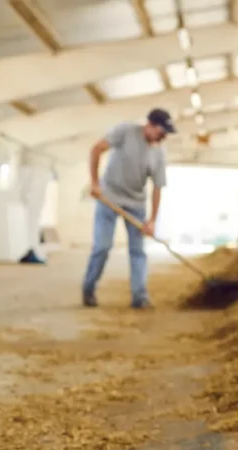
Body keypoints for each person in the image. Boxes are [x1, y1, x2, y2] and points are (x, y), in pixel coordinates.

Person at [82, 108, 175, 309]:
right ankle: (88, 289)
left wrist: (151, 220)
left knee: (138, 251)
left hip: (136, 204)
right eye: (161, 131)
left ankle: (139, 297)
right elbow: (96, 148)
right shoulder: (125, 131)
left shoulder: (159, 153)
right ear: (150, 125)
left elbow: (157, 187)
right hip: (109, 197)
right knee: (102, 247)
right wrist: (95, 183)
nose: (163, 136)